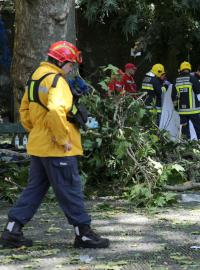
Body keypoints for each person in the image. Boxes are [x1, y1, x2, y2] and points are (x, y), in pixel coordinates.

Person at [0, 40, 110, 249]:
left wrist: (37, 131)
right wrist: (63, 139)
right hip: (57, 148)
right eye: (70, 65)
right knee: (70, 189)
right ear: (61, 61)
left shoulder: (35, 77)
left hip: (39, 146)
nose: (70, 69)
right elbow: (55, 111)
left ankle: (11, 231)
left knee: (33, 190)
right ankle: (84, 234)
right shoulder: (56, 81)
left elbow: (24, 111)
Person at [172, 61, 200, 139]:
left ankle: (186, 146)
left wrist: (176, 107)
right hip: (194, 110)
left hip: (182, 111)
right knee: (198, 129)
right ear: (189, 69)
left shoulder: (176, 80)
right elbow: (198, 91)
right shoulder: (193, 79)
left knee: (184, 130)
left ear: (181, 70)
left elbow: (173, 96)